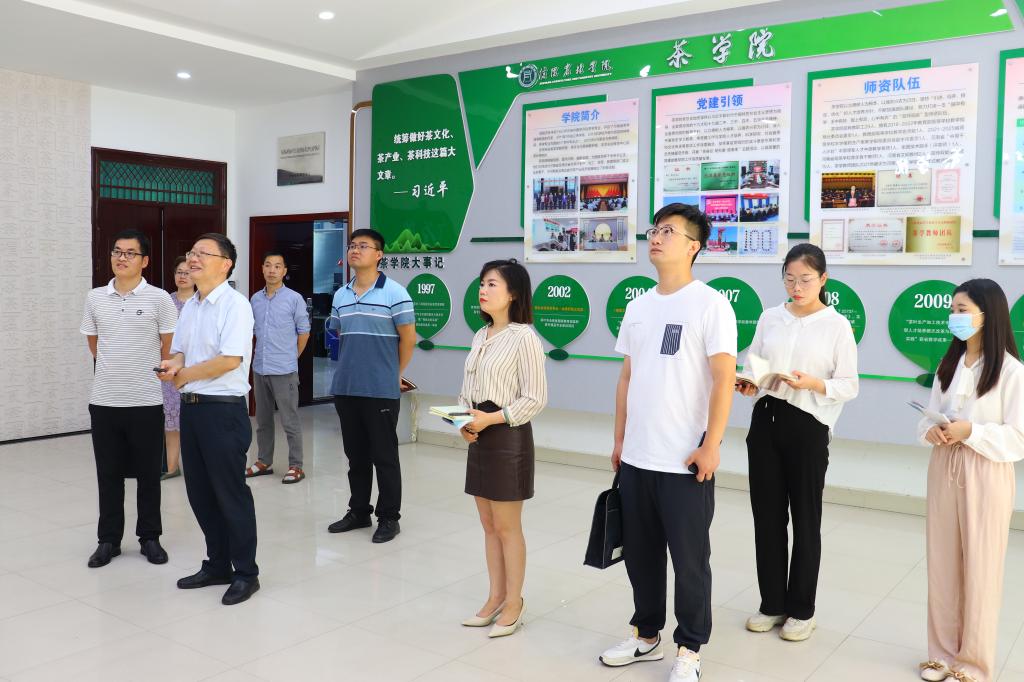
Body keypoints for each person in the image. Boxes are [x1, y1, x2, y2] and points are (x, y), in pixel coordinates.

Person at [599, 203, 737, 682]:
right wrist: (620, 439)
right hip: (638, 457)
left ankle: (690, 648)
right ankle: (645, 634)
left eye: (669, 231)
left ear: (694, 246)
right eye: (654, 230)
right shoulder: (638, 306)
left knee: (690, 561)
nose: (655, 238)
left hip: (685, 460)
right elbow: (626, 378)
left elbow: (724, 379)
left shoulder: (711, 304)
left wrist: (712, 444)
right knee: (640, 556)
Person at [737, 244, 859, 641]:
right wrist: (750, 381)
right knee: (767, 517)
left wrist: (814, 383)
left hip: (808, 425)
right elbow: (754, 361)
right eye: (789, 279)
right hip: (765, 421)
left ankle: (802, 610)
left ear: (823, 279)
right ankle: (772, 603)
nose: (797, 287)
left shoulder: (836, 325)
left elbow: (849, 385)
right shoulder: (771, 317)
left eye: (805, 279)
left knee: (806, 520)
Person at [916, 279, 1023, 682]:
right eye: (952, 309)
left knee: (981, 567)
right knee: (942, 563)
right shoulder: (950, 364)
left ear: (987, 314)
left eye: (962, 310)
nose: (954, 317)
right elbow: (929, 414)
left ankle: (973, 664)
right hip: (944, 464)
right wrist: (930, 430)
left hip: (986, 471)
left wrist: (972, 432)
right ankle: (942, 655)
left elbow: (1018, 437)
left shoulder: (1011, 372)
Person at [158, 233, 260, 606]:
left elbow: (230, 360)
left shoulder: (236, 305)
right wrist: (173, 365)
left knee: (229, 494)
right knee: (200, 493)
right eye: (191, 251)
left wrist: (185, 374)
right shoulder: (191, 307)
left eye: (203, 253)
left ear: (225, 263)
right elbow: (181, 352)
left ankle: (246, 573)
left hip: (223, 411)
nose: (193, 258)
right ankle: (217, 564)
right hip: (193, 408)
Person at [457, 259, 547, 639]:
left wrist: (490, 420)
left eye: (492, 284)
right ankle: (495, 597)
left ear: (513, 294)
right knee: (488, 524)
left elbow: (535, 397)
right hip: (479, 436)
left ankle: (514, 602)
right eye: (482, 283)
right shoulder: (481, 335)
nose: (483, 290)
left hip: (508, 437)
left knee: (508, 527)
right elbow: (468, 389)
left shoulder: (524, 337)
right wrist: (463, 422)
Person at [80, 229, 177, 568]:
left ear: (144, 261)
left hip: (146, 401)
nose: (121, 258)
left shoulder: (159, 299)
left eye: (130, 253)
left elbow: (168, 348)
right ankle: (108, 540)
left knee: (149, 475)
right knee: (108, 474)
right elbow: (94, 344)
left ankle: (150, 537)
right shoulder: (95, 297)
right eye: (117, 251)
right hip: (105, 400)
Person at [327, 228, 416, 544]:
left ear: (379, 255)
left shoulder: (395, 293)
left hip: (380, 390)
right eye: (352, 245)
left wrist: (393, 372)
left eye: (363, 246)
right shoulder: (341, 295)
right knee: (356, 456)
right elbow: (339, 334)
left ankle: (389, 517)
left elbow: (408, 340)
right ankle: (359, 511)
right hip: (346, 387)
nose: (355, 250)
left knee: (385, 457)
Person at [246, 251, 311, 484]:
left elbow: (304, 332)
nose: (272, 270)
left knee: (289, 420)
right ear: (262, 269)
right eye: (268, 265)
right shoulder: (255, 299)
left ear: (284, 271)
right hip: (260, 368)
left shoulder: (294, 298)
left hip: (284, 369)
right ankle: (264, 461)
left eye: (277, 266)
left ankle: (296, 466)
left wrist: (292, 357)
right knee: (262, 420)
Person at [161, 255, 194, 481]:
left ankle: (196, 468)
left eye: (187, 272)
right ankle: (172, 467)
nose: (182, 276)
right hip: (167, 367)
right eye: (179, 272)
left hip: (193, 370)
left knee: (191, 423)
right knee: (170, 423)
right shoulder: (166, 301)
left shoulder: (200, 302)